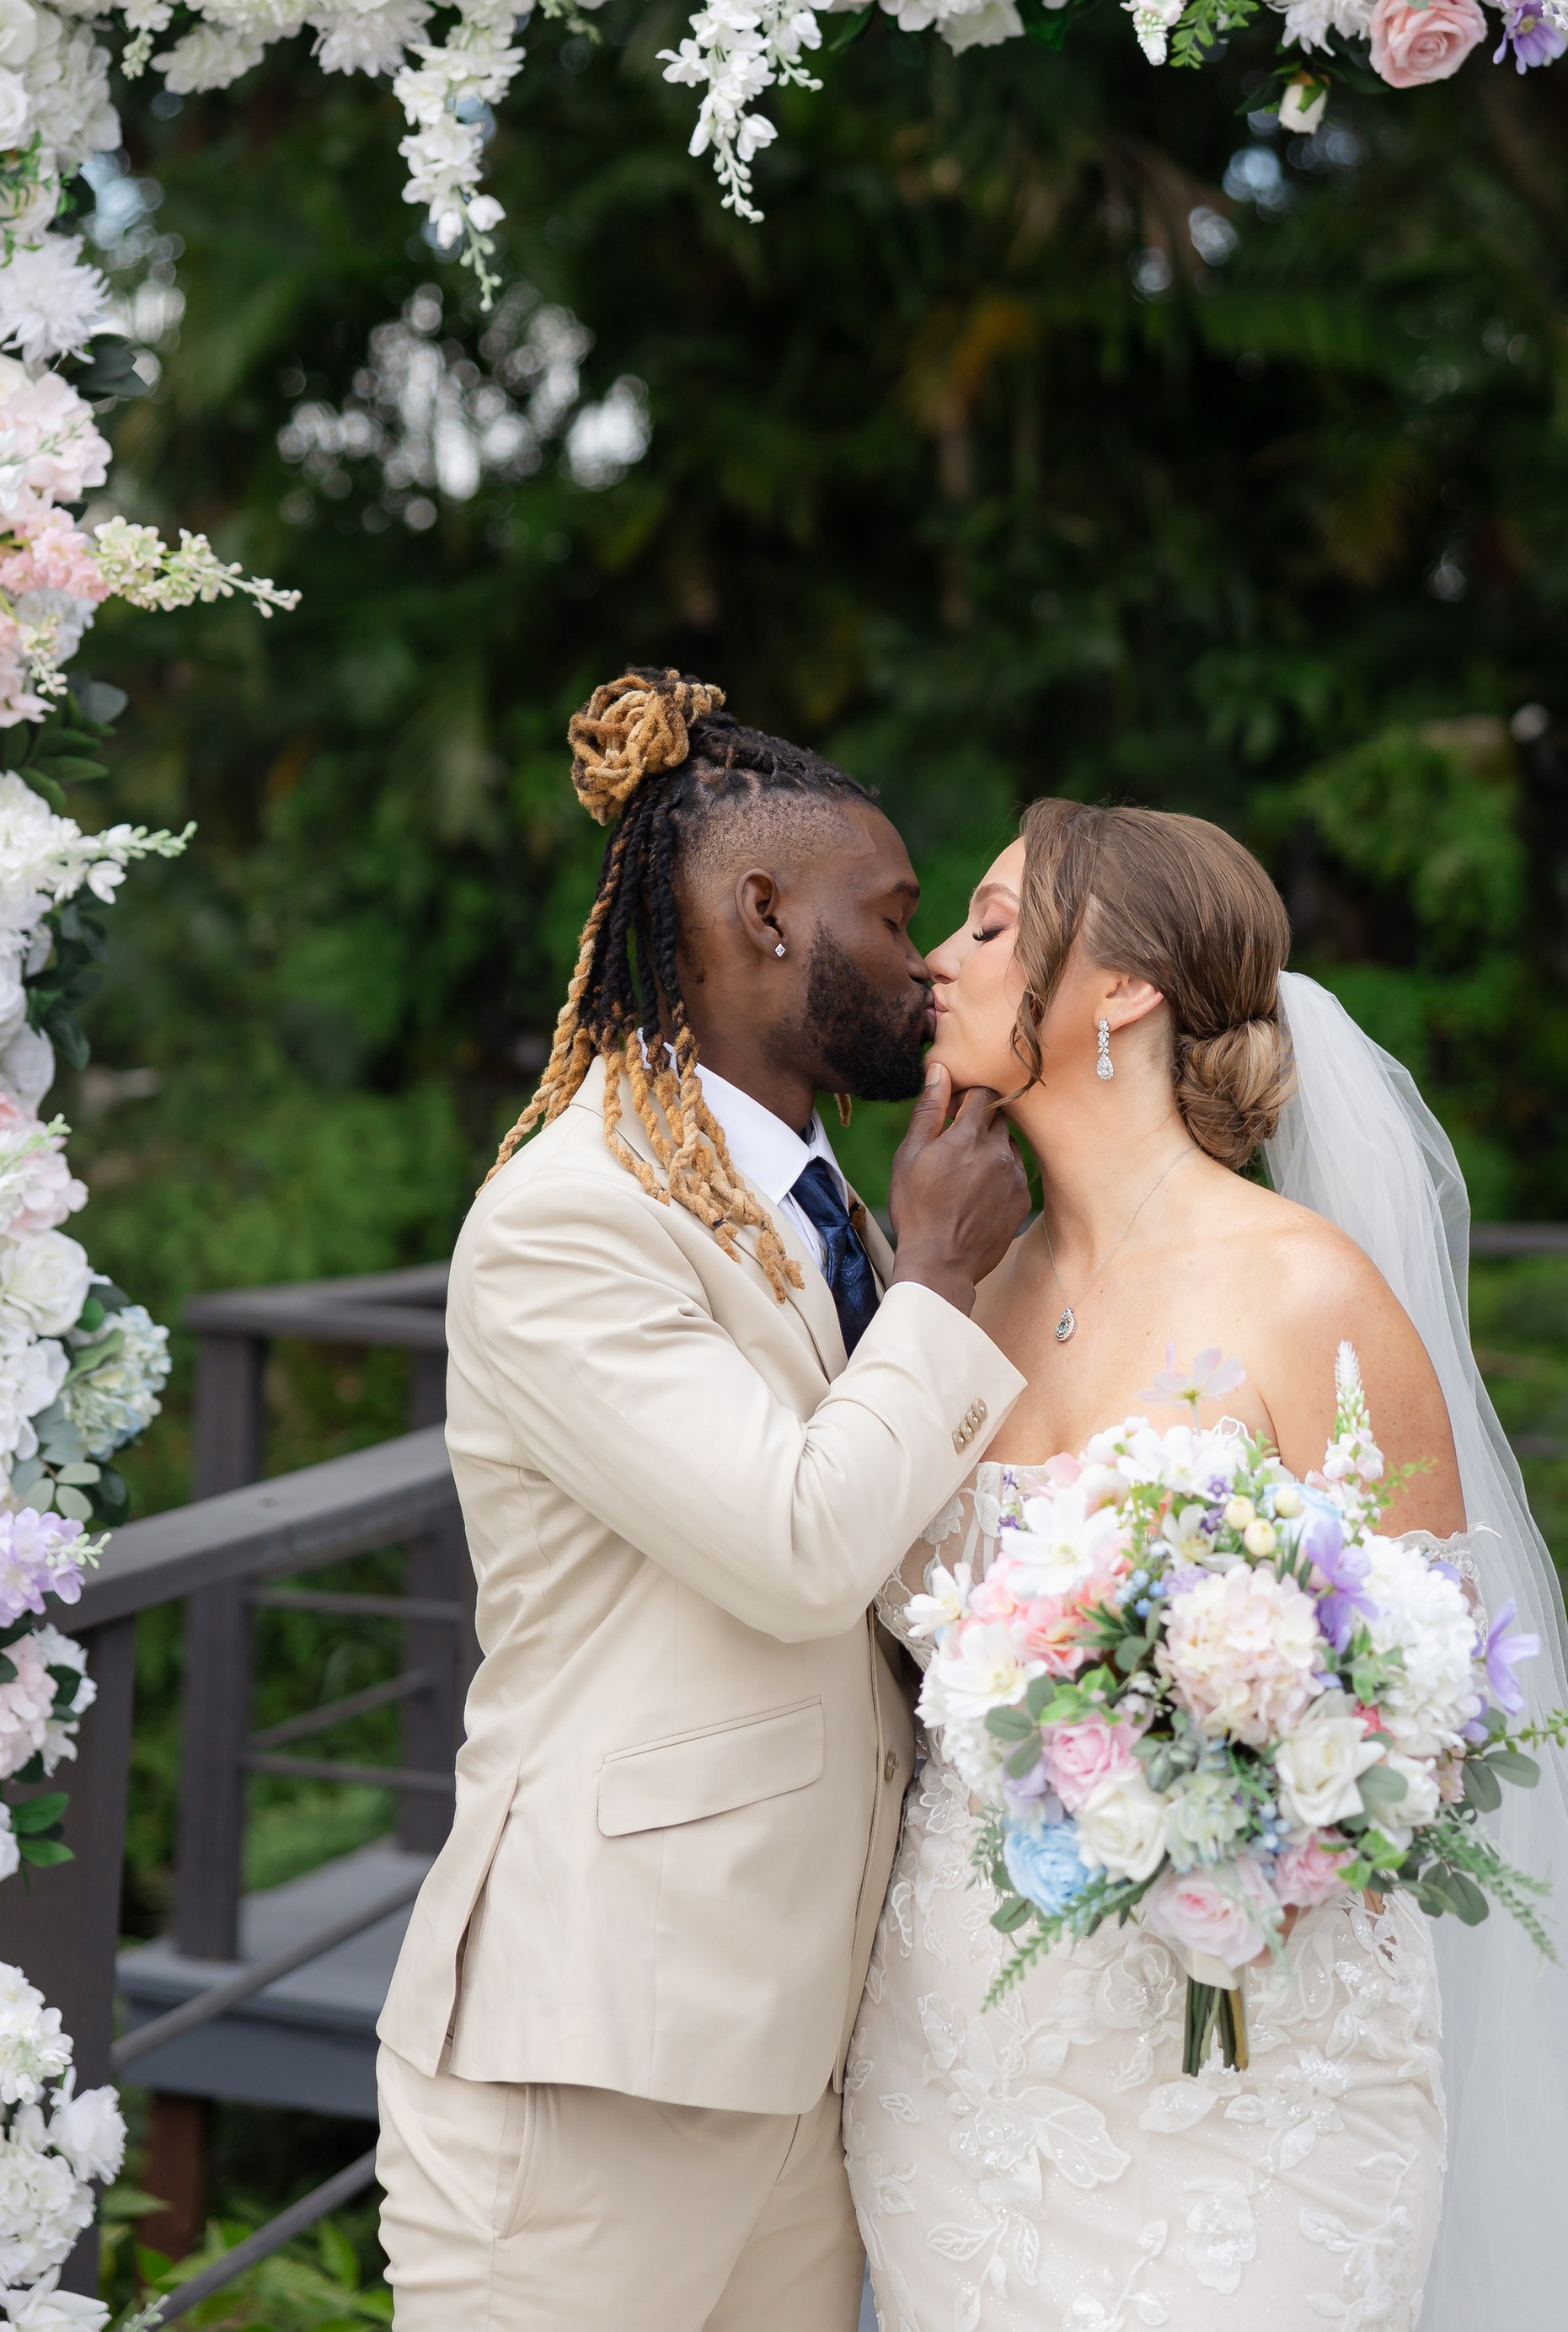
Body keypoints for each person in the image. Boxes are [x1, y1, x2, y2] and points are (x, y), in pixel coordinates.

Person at [845, 800, 1568, 2332]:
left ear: (1127, 989)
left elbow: (1436, 1694)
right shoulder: (956, 1289)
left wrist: (1236, 1768)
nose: (938, 962)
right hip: (960, 2070)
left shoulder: (1308, 1291)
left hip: (1255, 2071)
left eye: (992, 925)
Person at [376, 667, 1030, 2331]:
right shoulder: (569, 1220)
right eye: (889, 917)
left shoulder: (827, 1207)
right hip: (595, 2052)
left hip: (796, 2046)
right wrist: (948, 1280)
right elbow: (799, 1547)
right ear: (759, 915)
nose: (923, 965)